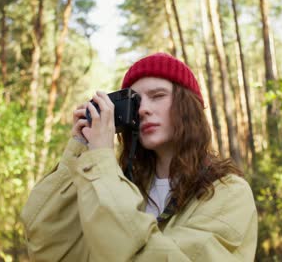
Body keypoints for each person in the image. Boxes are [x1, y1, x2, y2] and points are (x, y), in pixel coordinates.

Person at [21, 53, 258, 261]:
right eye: (136, 101)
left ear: (187, 106)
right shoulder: (118, 186)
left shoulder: (228, 192)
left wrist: (103, 161)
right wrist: (80, 150)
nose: (143, 109)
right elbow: (48, 246)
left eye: (157, 95)